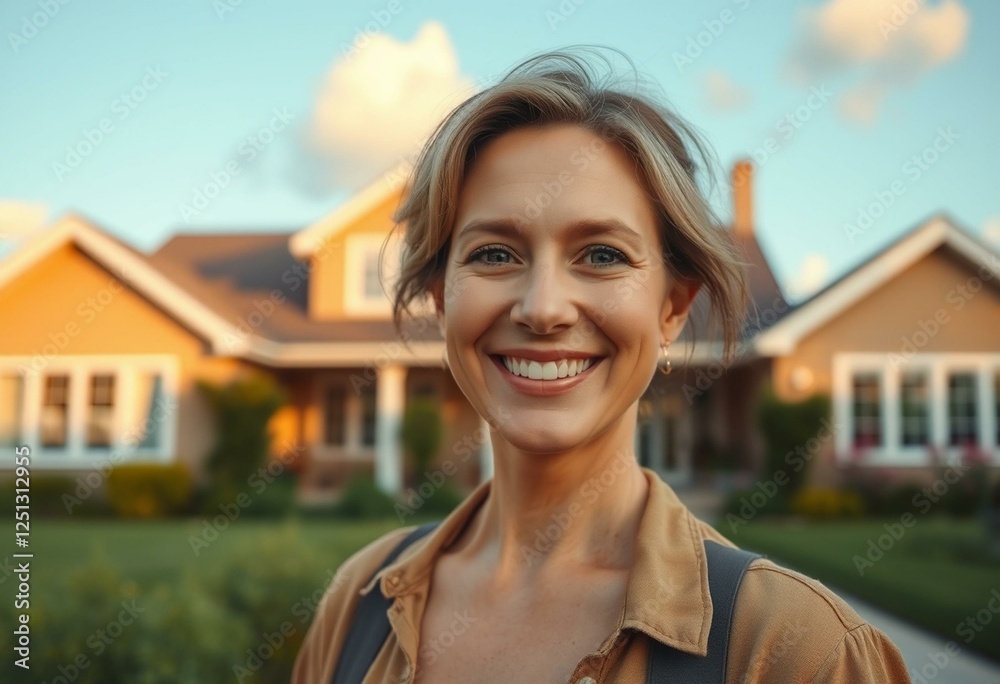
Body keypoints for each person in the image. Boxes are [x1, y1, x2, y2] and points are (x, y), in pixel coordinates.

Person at [293, 48, 910, 684]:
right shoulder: (360, 601)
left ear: (672, 307)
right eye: (496, 253)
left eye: (603, 255)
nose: (543, 309)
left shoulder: (793, 648)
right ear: (442, 297)